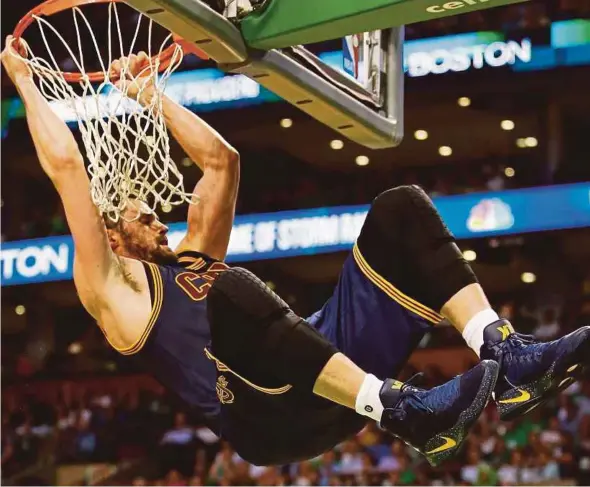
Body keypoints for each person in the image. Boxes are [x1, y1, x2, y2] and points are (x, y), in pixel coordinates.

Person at [3, 36, 588, 468]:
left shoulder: (192, 260)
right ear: (109, 238)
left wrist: (148, 95)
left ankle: (505, 354)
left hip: (317, 371)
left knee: (401, 208)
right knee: (234, 288)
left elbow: (221, 162)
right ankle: (401, 409)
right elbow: (66, 168)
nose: (155, 212)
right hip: (265, 417)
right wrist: (25, 81)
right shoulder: (111, 290)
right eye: (137, 210)